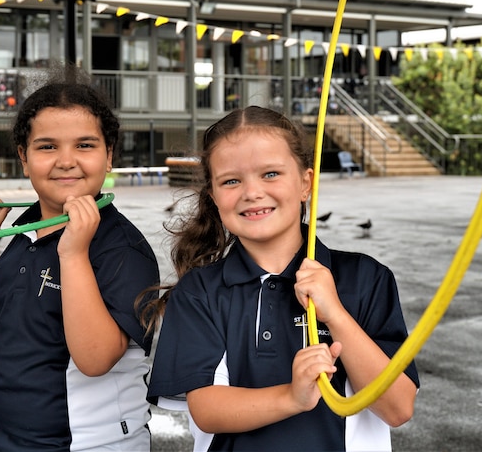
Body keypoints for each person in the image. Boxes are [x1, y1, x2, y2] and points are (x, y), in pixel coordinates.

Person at [145, 106, 419, 451]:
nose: (252, 192)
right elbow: (207, 410)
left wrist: (334, 312)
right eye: (231, 180)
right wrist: (292, 397)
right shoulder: (200, 292)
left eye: (270, 174)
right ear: (214, 198)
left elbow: (398, 407)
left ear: (307, 183)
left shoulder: (366, 278)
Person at [0, 71, 160, 451]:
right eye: (47, 147)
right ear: (23, 157)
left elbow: (95, 358)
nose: (66, 161)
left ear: (110, 155)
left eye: (85, 145)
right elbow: (16, 310)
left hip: (84, 443)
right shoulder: (28, 227)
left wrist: (73, 253)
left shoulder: (122, 249)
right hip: (9, 439)